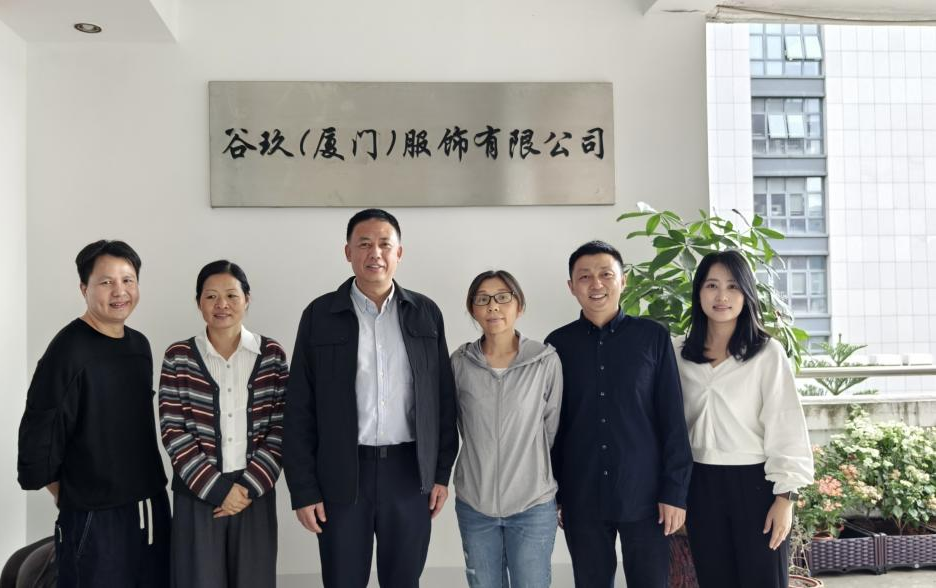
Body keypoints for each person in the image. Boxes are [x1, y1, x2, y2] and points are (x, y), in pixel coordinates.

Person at [283, 208, 458, 588]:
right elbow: (298, 408)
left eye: (384, 244)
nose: (374, 253)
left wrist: (441, 474)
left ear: (399, 253)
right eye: (364, 244)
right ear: (348, 252)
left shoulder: (425, 313)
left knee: (404, 580)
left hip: (410, 474)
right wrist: (303, 489)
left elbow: (442, 400)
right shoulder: (319, 315)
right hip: (341, 475)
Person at [17, 239, 169, 587]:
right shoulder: (68, 351)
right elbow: (38, 435)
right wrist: (75, 495)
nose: (119, 291)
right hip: (94, 517)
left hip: (149, 504)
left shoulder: (139, 345)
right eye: (106, 282)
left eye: (128, 280)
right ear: (84, 288)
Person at [545, 240, 693, 588]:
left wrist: (674, 493)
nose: (596, 284)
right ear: (571, 286)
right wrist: (556, 495)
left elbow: (672, 419)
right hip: (582, 495)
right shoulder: (557, 345)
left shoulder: (652, 337)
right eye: (584, 276)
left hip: (646, 496)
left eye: (606, 274)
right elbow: (553, 427)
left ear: (623, 281)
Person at [674, 250, 813, 588]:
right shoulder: (677, 353)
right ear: (699, 292)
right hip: (700, 485)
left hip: (756, 485)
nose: (721, 296)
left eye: (733, 286)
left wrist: (785, 499)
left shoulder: (767, 353)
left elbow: (786, 424)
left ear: (746, 293)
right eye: (712, 285)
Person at [158, 260, 288, 587]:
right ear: (198, 302)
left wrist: (245, 489)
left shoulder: (271, 355)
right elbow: (173, 431)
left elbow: (281, 428)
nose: (222, 304)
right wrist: (218, 491)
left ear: (247, 298)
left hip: (253, 495)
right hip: (196, 496)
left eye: (231, 295)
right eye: (211, 296)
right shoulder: (178, 356)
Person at [450, 270, 562, 587]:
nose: (493, 306)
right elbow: (457, 424)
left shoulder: (544, 361)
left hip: (533, 505)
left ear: (519, 306)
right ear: (473, 309)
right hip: (475, 504)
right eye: (483, 299)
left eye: (502, 297)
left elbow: (551, 429)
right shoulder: (460, 362)